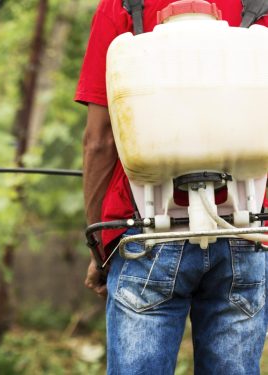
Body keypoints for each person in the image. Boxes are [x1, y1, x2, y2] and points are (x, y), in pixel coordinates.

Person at [75, 1, 268, 373]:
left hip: (145, 234)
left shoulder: (123, 7)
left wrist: (100, 244)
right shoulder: (256, 6)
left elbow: (99, 141)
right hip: (245, 231)